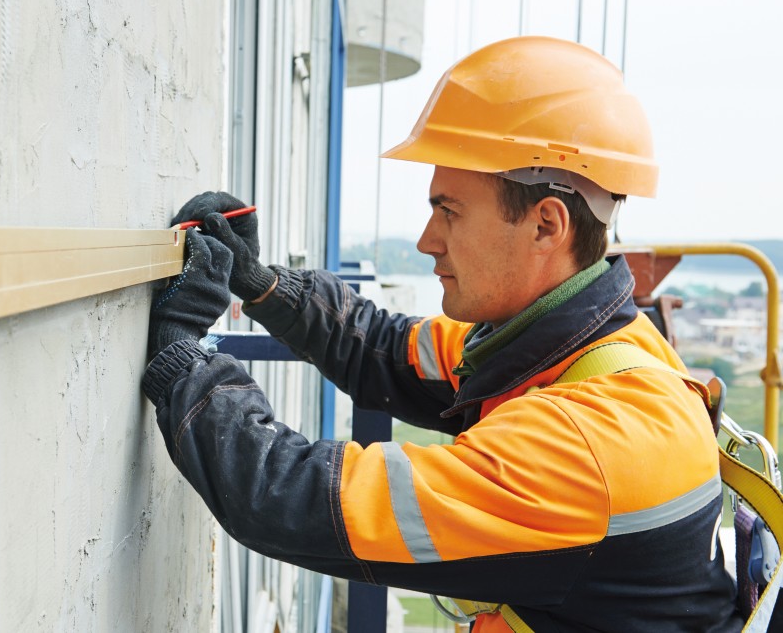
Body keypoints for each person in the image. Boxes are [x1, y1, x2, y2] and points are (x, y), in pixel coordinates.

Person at [142, 36, 744, 631]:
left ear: (546, 225)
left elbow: (295, 500)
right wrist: (264, 285)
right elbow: (384, 350)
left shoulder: (587, 450)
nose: (428, 240)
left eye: (449, 210)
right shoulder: (575, 345)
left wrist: (182, 354)